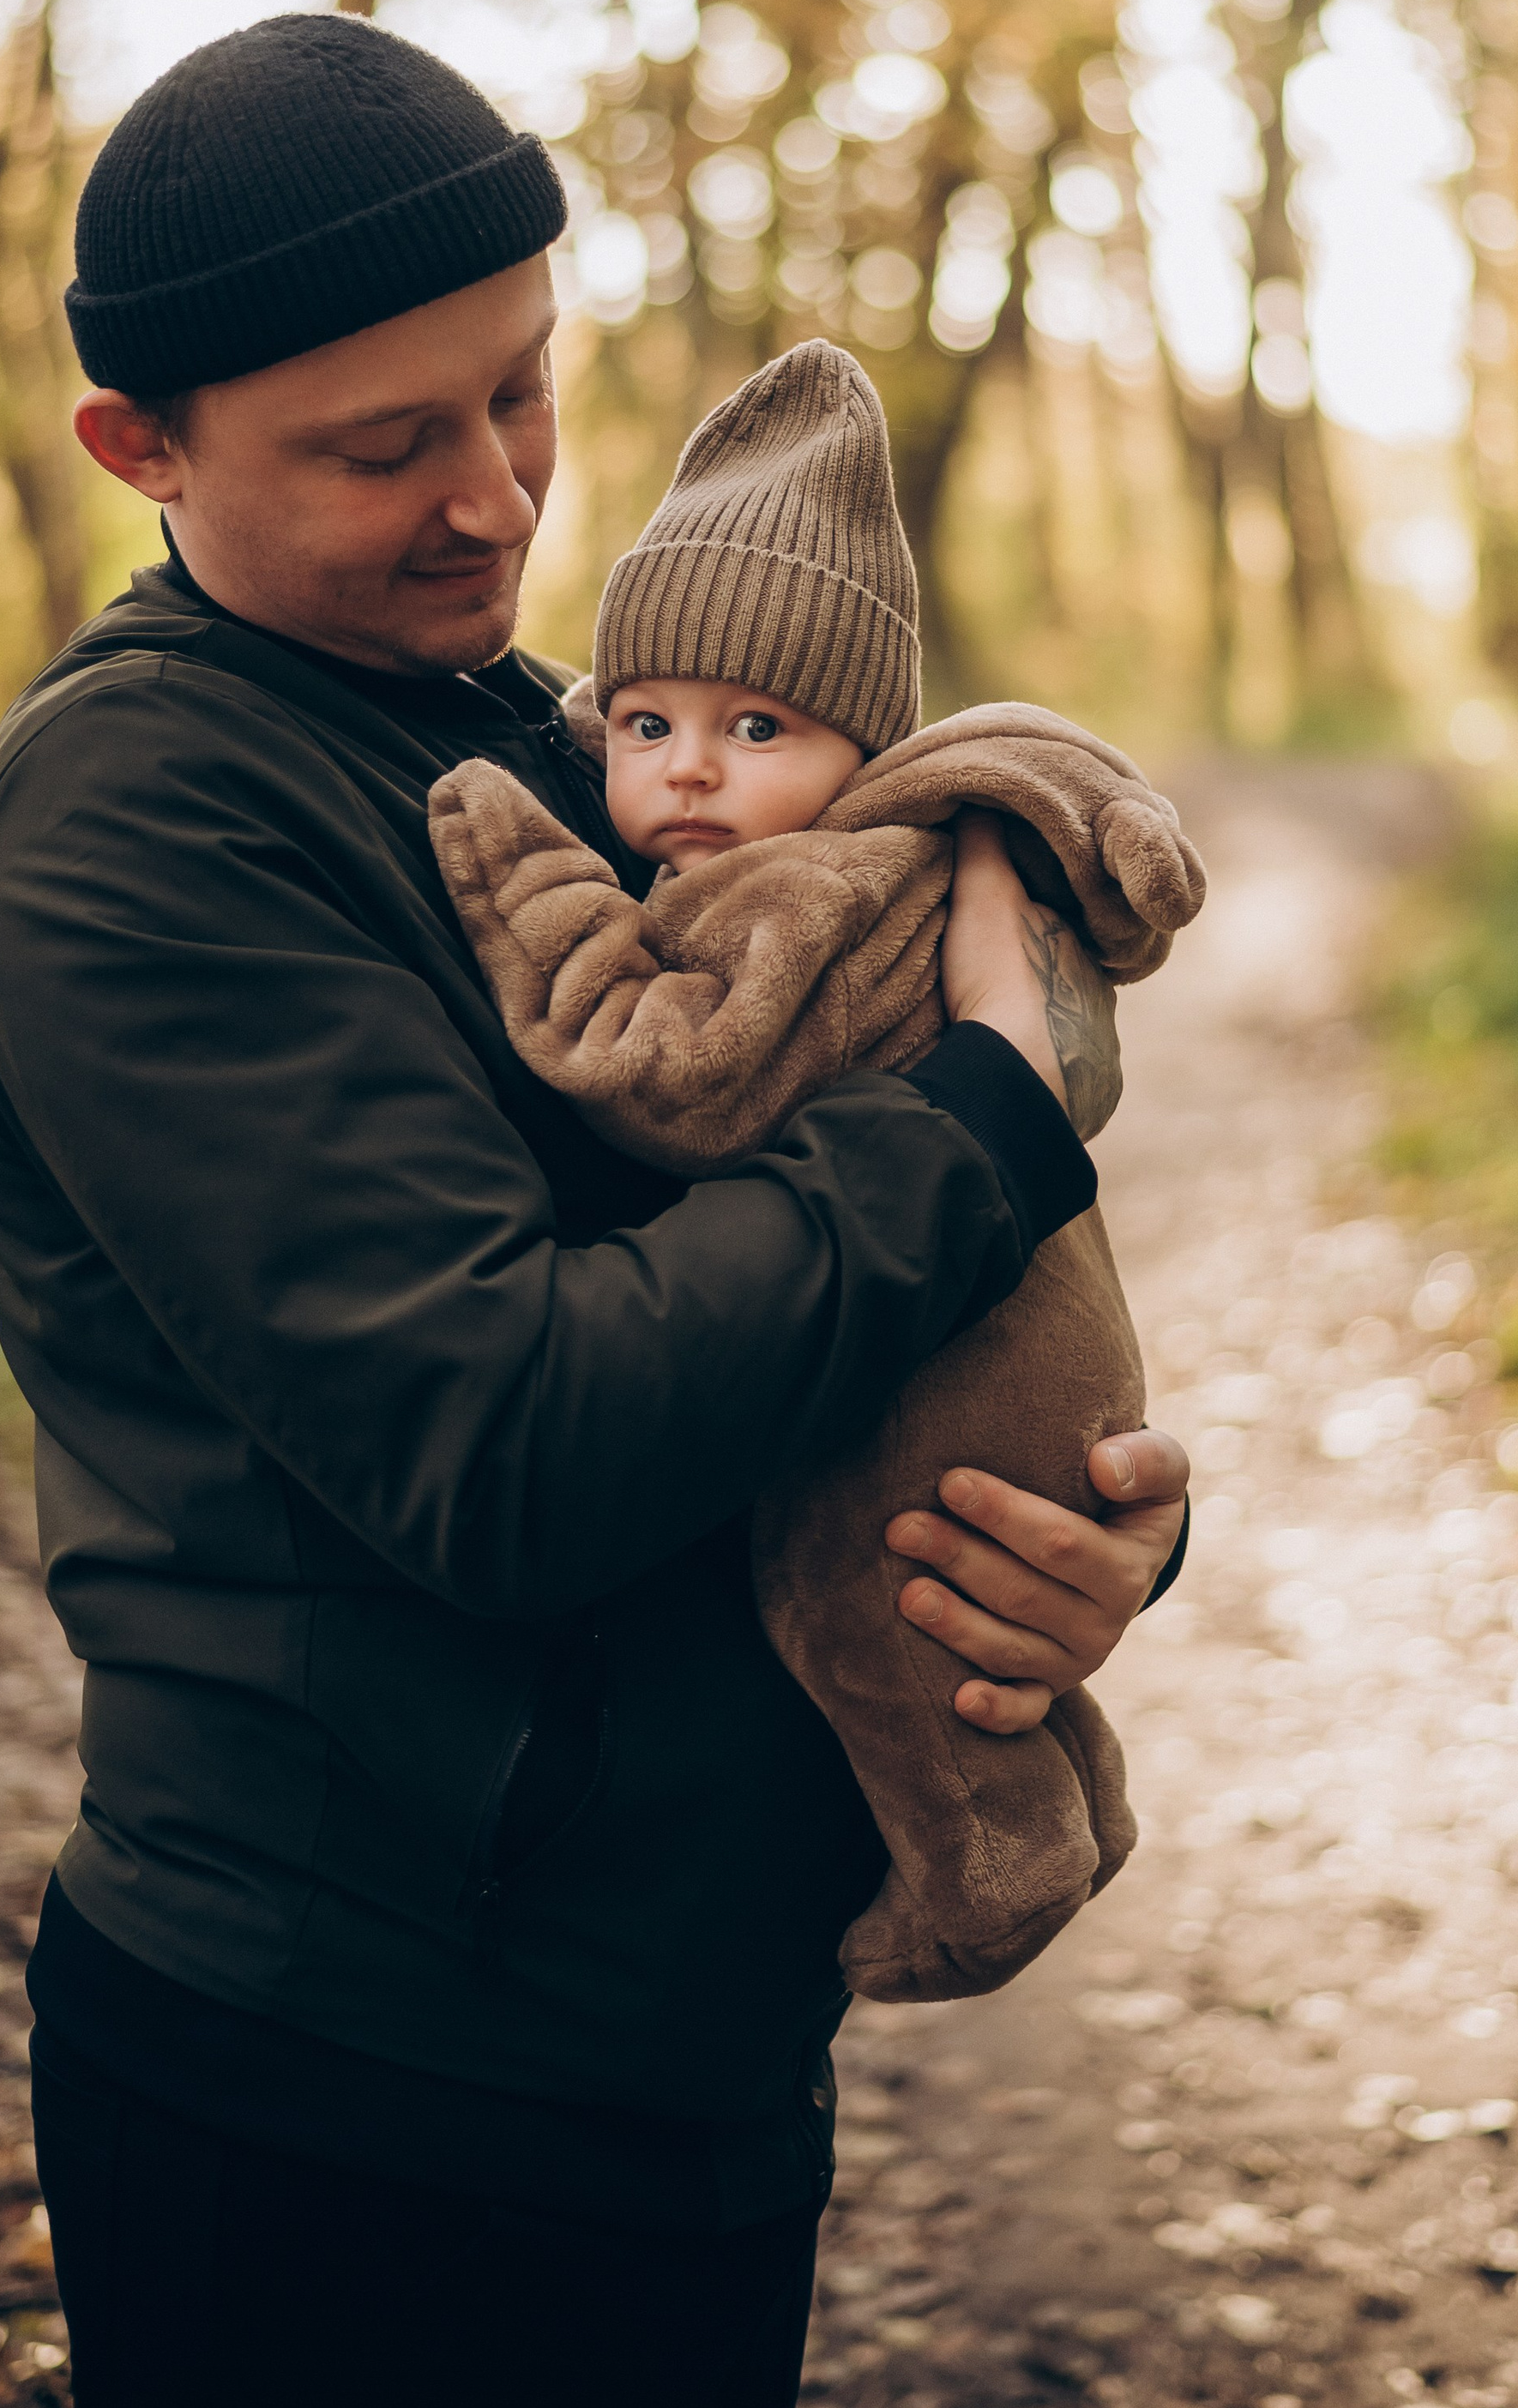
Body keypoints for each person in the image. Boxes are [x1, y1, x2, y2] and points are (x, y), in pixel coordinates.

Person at [0, 12, 1190, 2408]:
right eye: (385, 442)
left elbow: (817, 1301)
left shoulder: (547, 734)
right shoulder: (133, 826)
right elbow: (510, 1444)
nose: (497, 498)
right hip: (356, 2092)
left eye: (522, 390)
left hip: (681, 2045)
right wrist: (994, 1116)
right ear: (142, 444)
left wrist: (1079, 1524)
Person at [429, 336, 1207, 2004]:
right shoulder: (875, 854)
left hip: (945, 1373)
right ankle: (1062, 1813)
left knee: (878, 1627)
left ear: (860, 747)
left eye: (751, 724)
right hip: (1000, 1329)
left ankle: (980, 1886)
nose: (686, 768)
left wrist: (534, 888)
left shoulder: (803, 889)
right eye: (643, 723)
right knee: (959, 1646)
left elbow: (685, 1083)